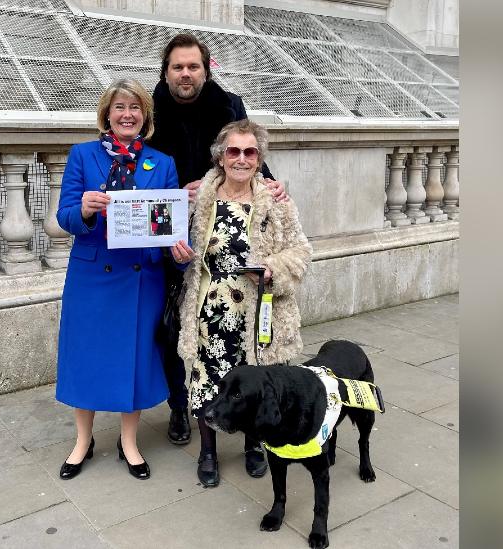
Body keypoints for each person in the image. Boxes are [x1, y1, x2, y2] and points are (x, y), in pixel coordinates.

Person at [149, 32, 286, 478]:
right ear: (166, 71)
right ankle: (179, 406)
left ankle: (249, 429)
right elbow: (138, 177)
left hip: (222, 234)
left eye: (193, 66)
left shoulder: (229, 106)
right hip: (172, 236)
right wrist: (176, 194)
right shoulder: (150, 112)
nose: (185, 74)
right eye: (177, 67)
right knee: (174, 329)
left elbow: (249, 157)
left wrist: (273, 184)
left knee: (241, 341)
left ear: (207, 69)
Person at [169, 120, 312, 487]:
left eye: (250, 152)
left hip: (258, 314)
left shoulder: (277, 202)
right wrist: (177, 253)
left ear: (259, 158)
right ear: (220, 156)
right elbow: (169, 244)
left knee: (257, 382)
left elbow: (301, 252)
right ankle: (208, 452)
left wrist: (272, 269)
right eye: (234, 151)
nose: (242, 159)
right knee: (206, 381)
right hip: (208, 312)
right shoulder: (198, 198)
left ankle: (254, 445)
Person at [54, 79, 180, 481]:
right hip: (92, 275)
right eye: (120, 107)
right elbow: (65, 217)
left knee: (135, 357)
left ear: (146, 115)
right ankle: (83, 440)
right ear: (106, 114)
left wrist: (178, 249)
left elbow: (170, 221)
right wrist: (86, 210)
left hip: (141, 278)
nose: (128, 114)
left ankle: (129, 441)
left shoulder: (161, 163)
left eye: (136, 107)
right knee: (86, 355)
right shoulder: (83, 155)